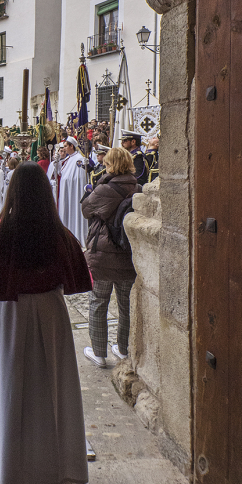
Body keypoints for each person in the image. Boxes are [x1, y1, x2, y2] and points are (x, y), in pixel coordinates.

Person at [0, 163, 91, 484]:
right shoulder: (59, 233)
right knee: (51, 385)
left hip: (12, 312)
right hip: (50, 312)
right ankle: (54, 467)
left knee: (11, 382)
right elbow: (77, 274)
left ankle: (9, 467)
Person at [80, 146, 139, 367]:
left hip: (103, 254)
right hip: (127, 254)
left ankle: (99, 353)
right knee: (126, 305)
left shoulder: (105, 188)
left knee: (98, 302)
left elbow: (86, 209)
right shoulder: (137, 187)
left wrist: (91, 191)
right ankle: (123, 349)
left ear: (111, 165)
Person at [56, 137, 89, 247]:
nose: (64, 148)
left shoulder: (79, 159)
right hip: (66, 191)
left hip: (74, 192)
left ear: (71, 146)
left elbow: (80, 178)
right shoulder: (68, 159)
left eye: (66, 146)